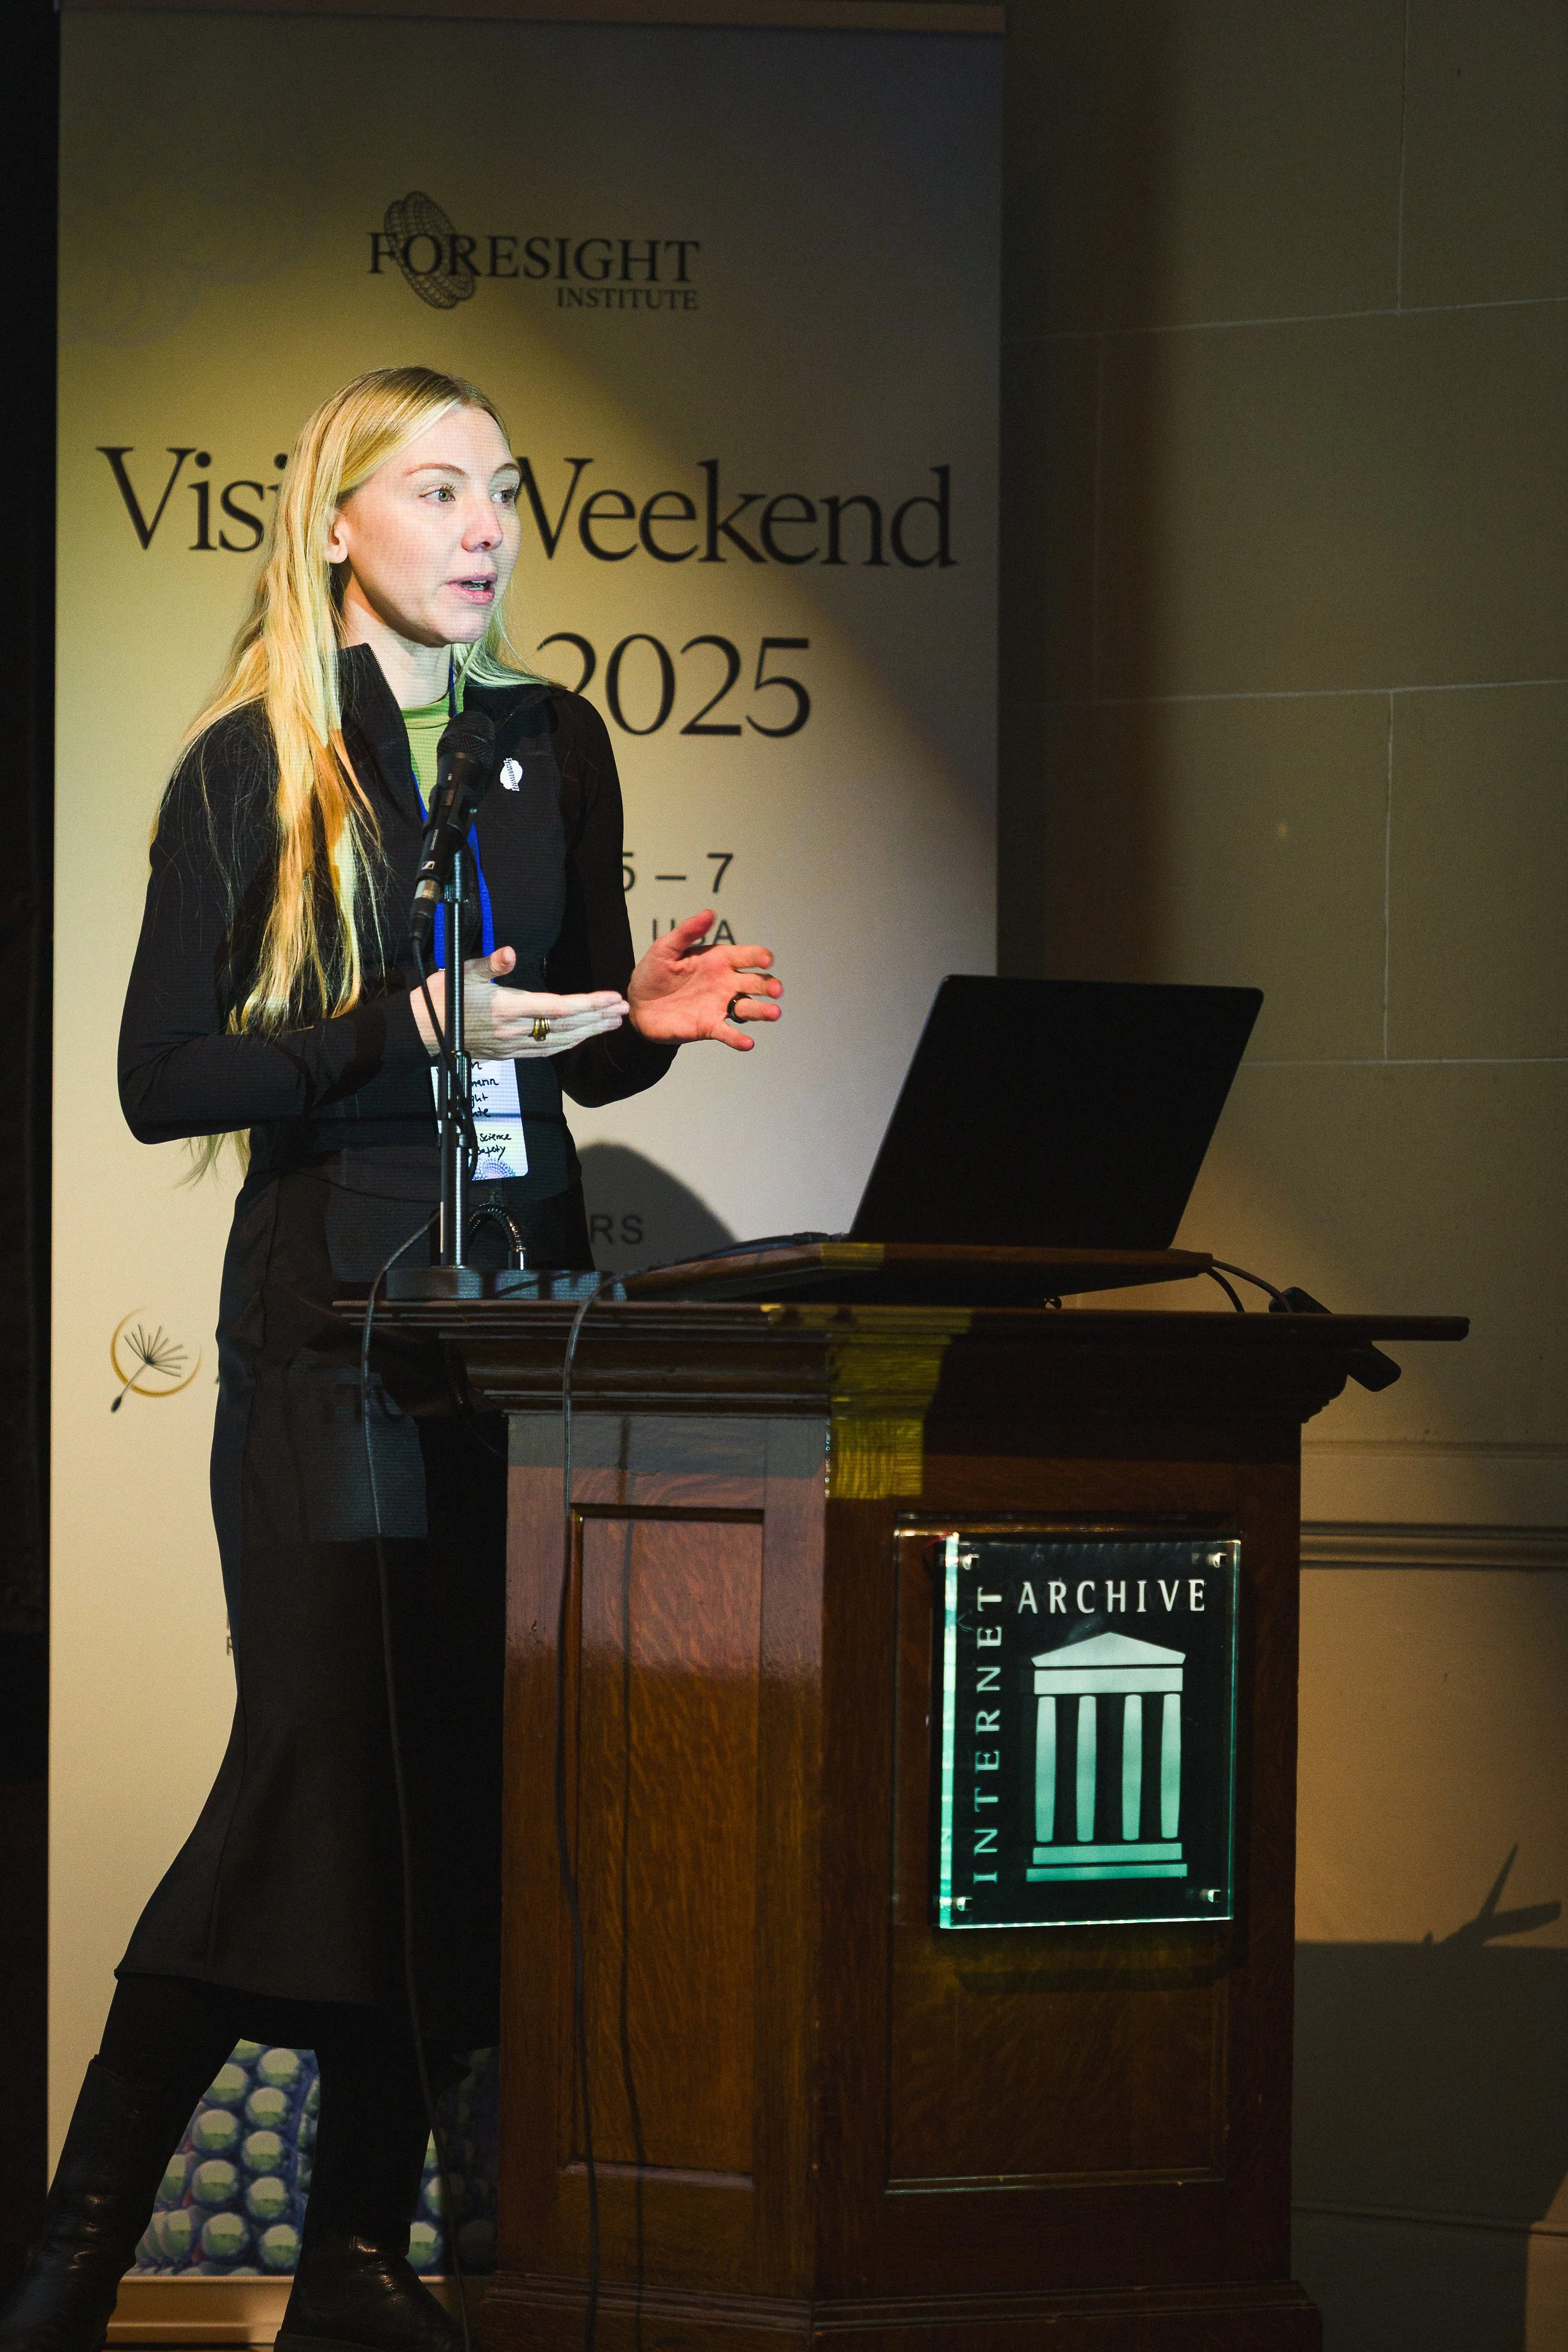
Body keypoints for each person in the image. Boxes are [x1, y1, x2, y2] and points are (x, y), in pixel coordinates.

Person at [1, 366, 781, 2352]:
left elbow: (563, 1038)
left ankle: (353, 2251)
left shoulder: (549, 739)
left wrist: (637, 1018)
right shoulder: (252, 763)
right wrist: (393, 1029)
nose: (483, 527)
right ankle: (79, 2247)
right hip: (329, 1331)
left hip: (515, 1327)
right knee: (317, 1768)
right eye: (436, 490)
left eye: (501, 491)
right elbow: (163, 1078)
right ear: (335, 520)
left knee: (458, 1795)